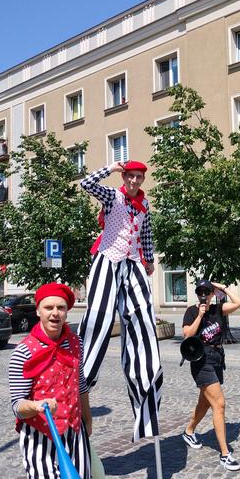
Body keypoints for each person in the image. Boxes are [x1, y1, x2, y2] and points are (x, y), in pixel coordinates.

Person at [78, 160, 163, 442]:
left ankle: (145, 381)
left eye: (139, 178)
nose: (135, 181)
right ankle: (81, 376)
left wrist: (148, 261)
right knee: (99, 316)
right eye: (131, 177)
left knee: (142, 317)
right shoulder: (113, 196)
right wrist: (110, 168)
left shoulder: (145, 205)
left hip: (132, 262)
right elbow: (86, 184)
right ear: (125, 177)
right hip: (108, 258)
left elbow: (147, 235)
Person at [8, 283, 93, 479]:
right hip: (41, 437)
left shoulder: (76, 343)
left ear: (66, 311)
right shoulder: (23, 352)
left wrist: (87, 422)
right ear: (38, 311)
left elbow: (80, 384)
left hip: (75, 433)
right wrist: (37, 406)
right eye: (49, 308)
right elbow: (17, 406)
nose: (55, 313)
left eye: (60, 308)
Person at [182, 279, 240, 471]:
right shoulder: (192, 311)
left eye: (207, 292)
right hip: (201, 360)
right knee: (219, 404)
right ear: (197, 293)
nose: (204, 295)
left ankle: (189, 431)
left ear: (211, 294)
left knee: (206, 402)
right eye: (201, 291)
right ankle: (225, 454)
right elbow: (187, 335)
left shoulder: (218, 309)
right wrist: (199, 316)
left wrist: (221, 288)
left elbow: (239, 303)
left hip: (217, 357)